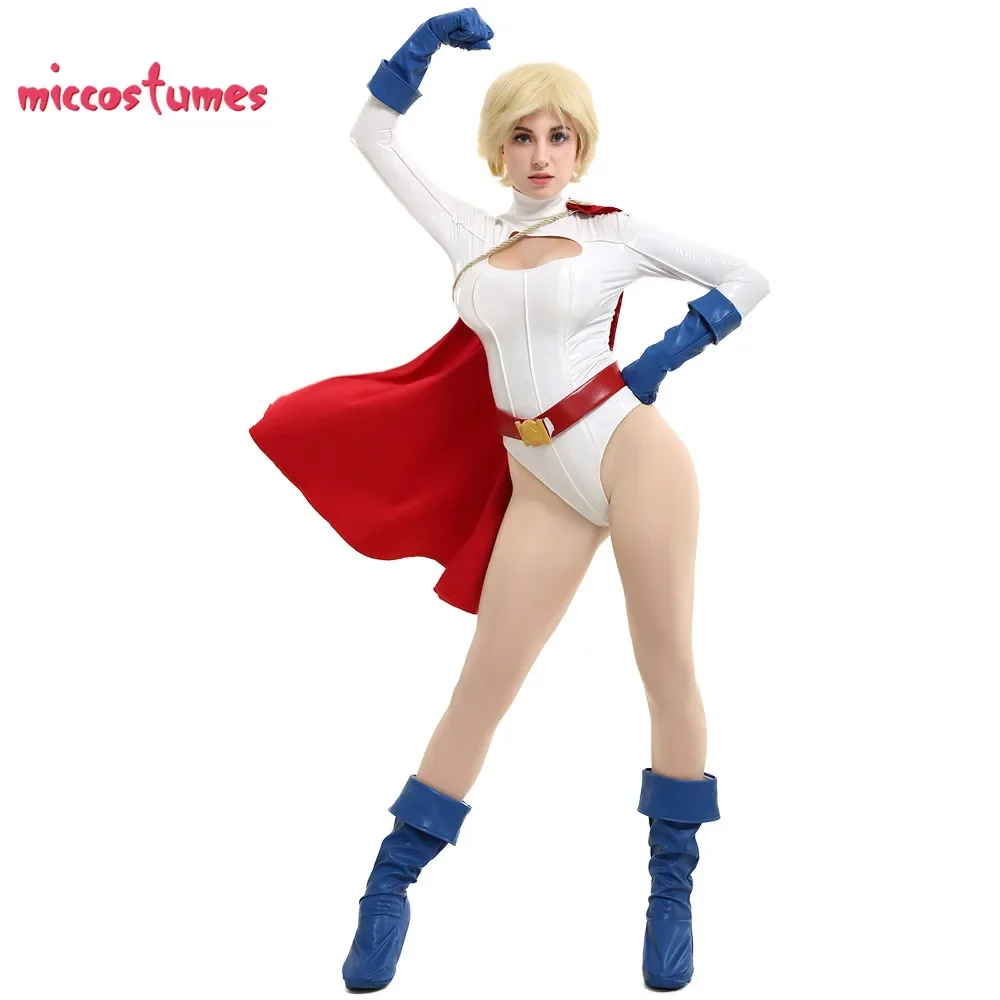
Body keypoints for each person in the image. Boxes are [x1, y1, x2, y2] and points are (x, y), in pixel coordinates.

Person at [250, 8, 770, 992]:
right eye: (523, 136)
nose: (541, 155)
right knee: (483, 686)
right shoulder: (469, 235)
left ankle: (671, 889)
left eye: (559, 136)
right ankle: (390, 883)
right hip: (539, 482)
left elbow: (747, 278)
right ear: (497, 148)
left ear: (581, 146)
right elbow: (371, 136)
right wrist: (421, 49)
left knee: (665, 668)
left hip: (630, 455)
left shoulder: (611, 234)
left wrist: (660, 360)